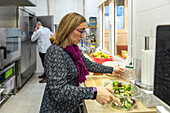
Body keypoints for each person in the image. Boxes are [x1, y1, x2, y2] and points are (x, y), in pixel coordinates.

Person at [40, 12, 124, 113]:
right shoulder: (56, 52)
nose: (83, 36)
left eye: (84, 31)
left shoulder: (73, 49)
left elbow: (88, 64)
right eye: (81, 31)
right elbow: (58, 91)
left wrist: (112, 70)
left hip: (70, 106)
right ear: (68, 29)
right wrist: (94, 93)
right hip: (56, 109)